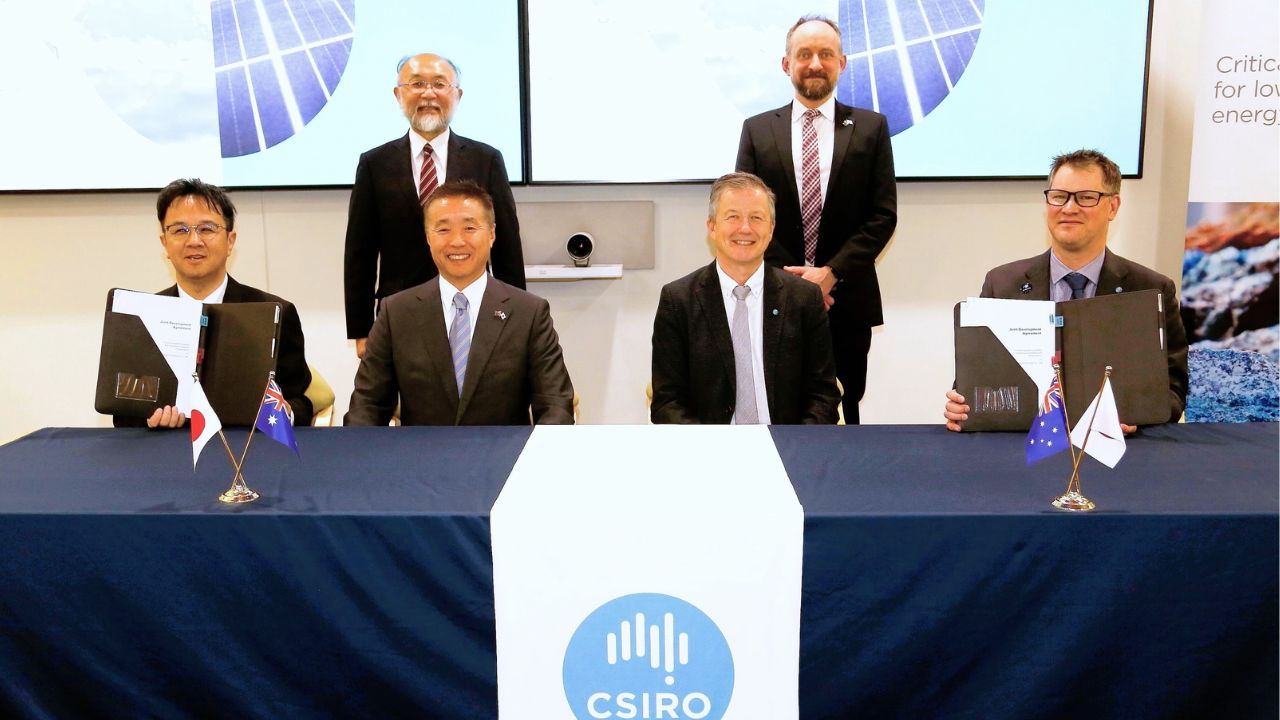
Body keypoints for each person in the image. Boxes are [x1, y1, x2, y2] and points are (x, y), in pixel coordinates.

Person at [944, 149, 1189, 432]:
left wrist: (1139, 418)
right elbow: (979, 380)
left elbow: (1173, 389)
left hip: (1120, 459)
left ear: (1113, 207)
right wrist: (962, 406)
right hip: (1021, 454)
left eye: (1086, 197)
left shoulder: (1151, 290)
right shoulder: (1002, 284)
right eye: (1059, 196)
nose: (1069, 208)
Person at [736, 15, 897, 425]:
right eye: (804, 54)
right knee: (780, 404)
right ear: (786, 64)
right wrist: (794, 282)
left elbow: (882, 216)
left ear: (841, 63)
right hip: (774, 297)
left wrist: (830, 274)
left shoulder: (870, 128)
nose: (814, 63)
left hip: (847, 298)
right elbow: (746, 220)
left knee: (847, 407)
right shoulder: (756, 131)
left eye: (825, 54)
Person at [345, 181, 573, 426]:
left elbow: (555, 406)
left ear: (492, 234)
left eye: (469, 228)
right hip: (420, 460)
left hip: (504, 458)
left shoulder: (529, 313)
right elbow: (367, 406)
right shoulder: (396, 312)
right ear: (427, 237)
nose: (457, 242)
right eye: (443, 230)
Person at [344, 53, 525, 359]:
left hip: (474, 308)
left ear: (457, 94)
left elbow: (506, 245)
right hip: (399, 313)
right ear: (399, 94)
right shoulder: (375, 164)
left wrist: (517, 318)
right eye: (417, 84)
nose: (428, 93)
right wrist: (361, 330)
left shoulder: (486, 159)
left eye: (439, 84)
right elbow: (359, 253)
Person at [119, 178, 313, 428]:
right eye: (180, 230)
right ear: (164, 243)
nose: (194, 241)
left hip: (247, 453)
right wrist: (147, 419)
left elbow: (301, 403)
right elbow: (123, 413)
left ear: (230, 241)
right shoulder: (141, 317)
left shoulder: (275, 312)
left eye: (207, 229)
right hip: (163, 454)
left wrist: (285, 412)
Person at [651, 172, 840, 425]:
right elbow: (667, 402)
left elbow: (823, 396)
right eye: (733, 217)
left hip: (787, 446)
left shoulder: (803, 299)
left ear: (771, 229)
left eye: (756, 218)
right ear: (712, 226)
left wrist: (795, 446)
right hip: (710, 450)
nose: (745, 228)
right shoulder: (678, 300)